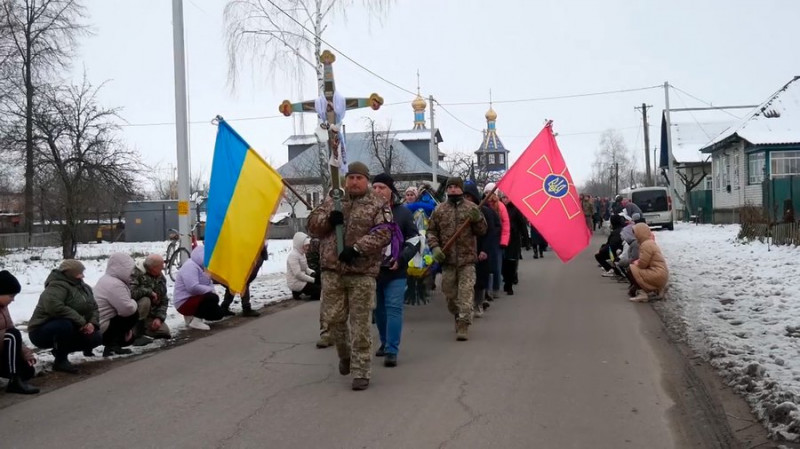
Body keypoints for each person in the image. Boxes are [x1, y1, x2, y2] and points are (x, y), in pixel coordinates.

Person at [307, 161, 392, 391]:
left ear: (367, 181)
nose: (354, 182)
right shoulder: (334, 199)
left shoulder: (377, 204)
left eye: (359, 178)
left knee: (360, 323)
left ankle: (361, 369)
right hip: (332, 271)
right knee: (334, 319)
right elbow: (312, 225)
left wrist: (356, 249)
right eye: (351, 177)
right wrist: (329, 220)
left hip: (361, 272)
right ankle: (345, 354)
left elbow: (384, 232)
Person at [428, 177, 487, 341]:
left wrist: (478, 219)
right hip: (447, 261)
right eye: (450, 187)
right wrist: (435, 247)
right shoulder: (439, 210)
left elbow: (482, 231)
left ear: (462, 189)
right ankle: (456, 313)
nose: (453, 190)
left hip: (467, 260)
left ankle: (463, 323)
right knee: (449, 294)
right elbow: (431, 231)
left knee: (466, 294)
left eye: (456, 187)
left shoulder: (472, 208)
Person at [371, 173, 420, 367]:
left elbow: (414, 240)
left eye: (381, 187)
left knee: (393, 308)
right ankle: (384, 342)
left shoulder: (403, 213)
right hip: (374, 271)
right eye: (374, 188)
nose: (377, 191)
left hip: (396, 270)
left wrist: (402, 258)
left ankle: (392, 349)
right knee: (379, 310)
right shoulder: (366, 212)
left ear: (391, 190)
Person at [28, 260, 102, 374]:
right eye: (79, 273)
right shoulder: (56, 286)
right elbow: (55, 308)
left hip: (75, 326)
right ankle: (60, 361)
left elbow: (94, 308)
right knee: (65, 324)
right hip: (42, 330)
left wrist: (91, 323)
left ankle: (60, 351)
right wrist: (81, 322)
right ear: (69, 273)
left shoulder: (85, 287)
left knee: (97, 337)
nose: (83, 276)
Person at [463, 182, 498, 317]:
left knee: (479, 280)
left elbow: (491, 232)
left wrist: (485, 250)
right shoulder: (459, 211)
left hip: (480, 251)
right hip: (464, 252)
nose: (466, 199)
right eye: (464, 196)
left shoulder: (485, 212)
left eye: (469, 196)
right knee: (466, 282)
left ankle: (478, 303)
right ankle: (467, 305)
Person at [0, 271, 39, 394]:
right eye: (11, 296)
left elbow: (12, 331)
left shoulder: (3, 308)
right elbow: (11, 335)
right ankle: (14, 380)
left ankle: (16, 375)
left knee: (28, 371)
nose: (13, 300)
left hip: (3, 350)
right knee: (11, 334)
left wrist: (26, 354)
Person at [95, 253, 138, 357]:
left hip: (98, 322)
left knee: (129, 339)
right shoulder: (115, 284)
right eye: (130, 269)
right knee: (133, 314)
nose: (131, 273)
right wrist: (134, 302)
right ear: (123, 268)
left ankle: (115, 343)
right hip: (103, 326)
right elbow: (127, 309)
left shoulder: (106, 279)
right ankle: (112, 345)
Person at [173, 245, 225, 331]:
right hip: (183, 301)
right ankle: (196, 321)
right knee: (212, 298)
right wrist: (210, 291)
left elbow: (209, 282)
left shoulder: (202, 267)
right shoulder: (190, 266)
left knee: (219, 314)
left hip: (194, 299)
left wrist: (212, 290)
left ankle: (192, 318)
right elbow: (192, 287)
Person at [129, 254, 172, 345]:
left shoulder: (160, 277)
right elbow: (131, 293)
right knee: (145, 300)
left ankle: (145, 329)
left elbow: (164, 299)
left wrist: (159, 318)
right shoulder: (136, 273)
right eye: (160, 268)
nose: (162, 270)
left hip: (152, 314)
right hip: (135, 313)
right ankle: (136, 333)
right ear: (152, 268)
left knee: (164, 332)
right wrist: (149, 292)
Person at [221, 244, 268, 317]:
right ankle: (246, 308)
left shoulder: (256, 254)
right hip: (233, 268)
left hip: (237, 266)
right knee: (241, 283)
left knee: (235, 284)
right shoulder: (253, 254)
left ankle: (224, 307)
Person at [629, 223, 669, 302]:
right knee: (633, 269)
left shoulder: (646, 245)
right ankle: (658, 289)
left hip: (657, 274)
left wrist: (636, 263)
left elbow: (643, 264)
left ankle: (642, 293)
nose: (634, 235)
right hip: (660, 273)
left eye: (635, 233)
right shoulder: (649, 242)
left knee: (630, 269)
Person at [483, 183, 508, 299]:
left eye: (490, 192)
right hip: (486, 238)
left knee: (496, 265)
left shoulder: (501, 206)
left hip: (497, 240)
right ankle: (486, 289)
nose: (488, 194)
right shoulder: (482, 205)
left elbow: (505, 225)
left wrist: (504, 241)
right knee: (486, 265)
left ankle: (496, 288)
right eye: (486, 192)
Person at [500, 194, 528, 295]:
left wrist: (526, 240)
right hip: (502, 239)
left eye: (507, 197)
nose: (505, 199)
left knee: (511, 261)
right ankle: (506, 279)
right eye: (503, 197)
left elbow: (522, 225)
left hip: (513, 239)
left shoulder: (516, 209)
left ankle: (509, 283)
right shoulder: (498, 208)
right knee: (503, 262)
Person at [286, 232, 320, 301]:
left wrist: (313, 274)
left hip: (302, 280)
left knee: (320, 283)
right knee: (320, 292)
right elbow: (298, 274)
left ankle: (299, 292)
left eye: (308, 246)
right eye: (306, 246)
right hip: (295, 282)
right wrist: (313, 280)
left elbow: (306, 268)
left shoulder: (302, 254)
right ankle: (297, 291)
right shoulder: (293, 256)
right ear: (300, 244)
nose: (308, 248)